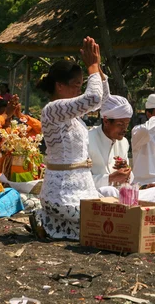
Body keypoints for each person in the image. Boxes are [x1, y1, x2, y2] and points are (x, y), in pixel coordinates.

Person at [36, 37, 108, 240]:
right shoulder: (52, 110)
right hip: (62, 195)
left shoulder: (72, 115)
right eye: (76, 85)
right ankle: (46, 219)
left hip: (84, 190)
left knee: (116, 213)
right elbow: (93, 98)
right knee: (101, 223)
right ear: (60, 86)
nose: (80, 90)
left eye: (82, 85)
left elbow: (101, 99)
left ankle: (47, 221)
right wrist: (92, 66)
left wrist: (98, 67)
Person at [88, 95, 155, 203]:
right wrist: (110, 178)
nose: (124, 129)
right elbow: (81, 181)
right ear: (106, 121)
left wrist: (127, 174)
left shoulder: (123, 142)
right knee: (108, 191)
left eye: (126, 124)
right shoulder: (88, 140)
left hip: (121, 195)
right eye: (120, 124)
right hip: (97, 194)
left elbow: (129, 180)